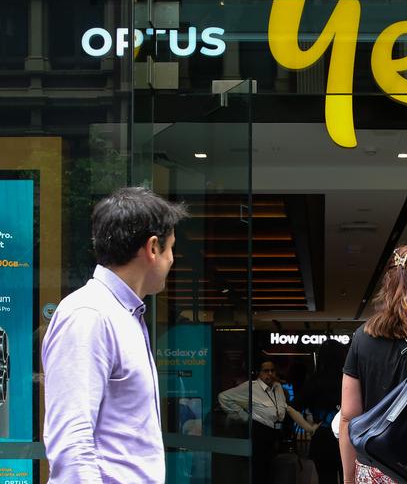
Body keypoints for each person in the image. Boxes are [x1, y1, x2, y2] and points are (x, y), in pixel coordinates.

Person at [42, 187, 188, 483]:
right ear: (152, 247)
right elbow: (72, 445)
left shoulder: (124, 315)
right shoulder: (89, 315)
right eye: (171, 247)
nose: (173, 259)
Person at [340, 244, 407, 484]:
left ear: (387, 283)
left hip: (375, 466)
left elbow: (348, 417)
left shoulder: (362, 336)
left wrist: (349, 479)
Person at [218, 359, 318, 484]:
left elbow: (287, 409)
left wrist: (308, 427)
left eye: (272, 370)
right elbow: (224, 397)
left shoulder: (278, 387)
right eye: (266, 371)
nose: (270, 374)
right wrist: (244, 416)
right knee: (260, 471)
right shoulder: (251, 387)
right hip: (259, 433)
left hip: (275, 434)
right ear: (259, 373)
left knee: (273, 470)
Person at [294, 339, 347, 484]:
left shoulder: (314, 381)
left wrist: (308, 427)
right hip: (346, 436)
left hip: (322, 437)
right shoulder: (348, 379)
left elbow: (292, 407)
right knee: (348, 479)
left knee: (325, 479)